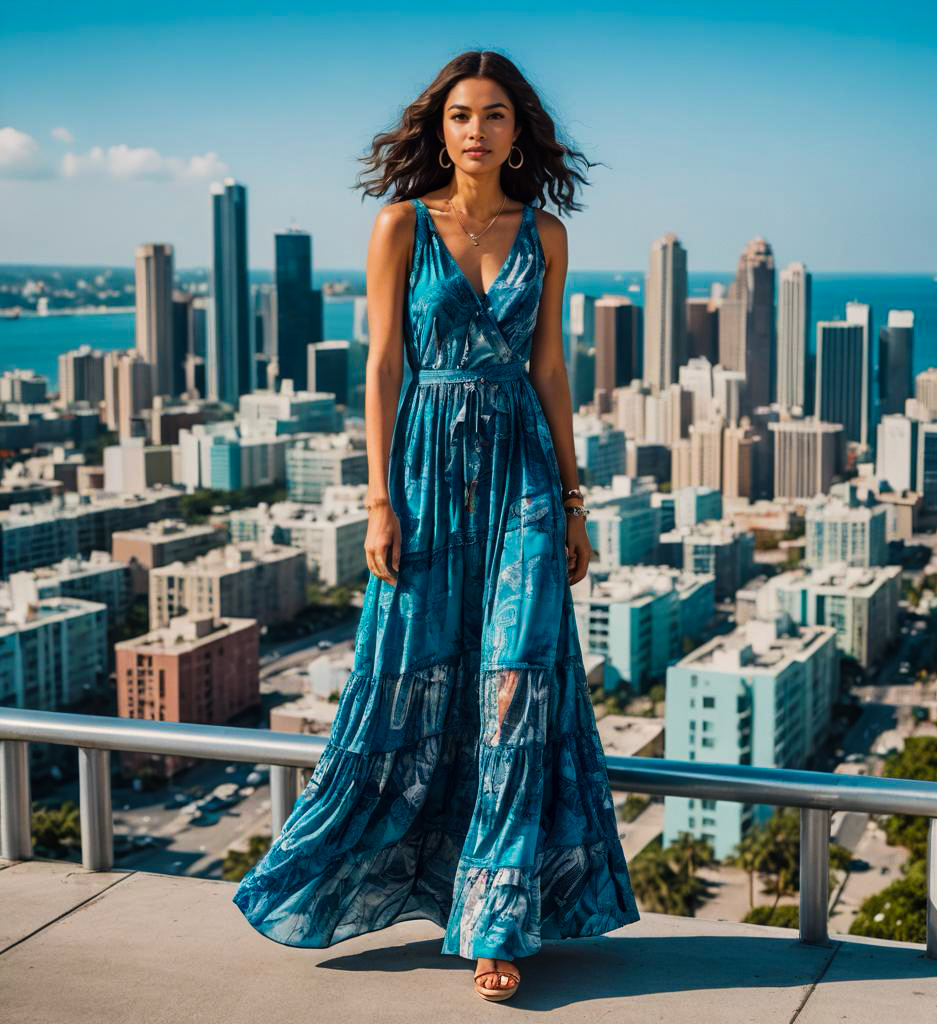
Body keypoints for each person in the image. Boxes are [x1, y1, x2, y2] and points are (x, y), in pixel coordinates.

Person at [232, 49, 640, 1003]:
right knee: (411, 682)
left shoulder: (545, 232)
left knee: (517, 686)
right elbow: (380, 368)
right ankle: (360, 878)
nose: (477, 130)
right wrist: (380, 499)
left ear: (517, 130)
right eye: (462, 114)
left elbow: (550, 372)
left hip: (525, 474)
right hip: (423, 475)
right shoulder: (399, 227)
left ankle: (495, 922)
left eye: (496, 114)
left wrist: (575, 501)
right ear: (439, 128)